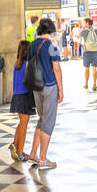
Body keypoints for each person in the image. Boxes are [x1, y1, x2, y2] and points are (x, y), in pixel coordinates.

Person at [27, 17, 63, 169]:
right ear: (51, 30)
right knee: (48, 122)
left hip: (37, 86)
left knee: (41, 119)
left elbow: (29, 64)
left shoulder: (32, 45)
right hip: (49, 85)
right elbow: (56, 68)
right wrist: (61, 89)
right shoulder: (51, 44)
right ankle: (42, 159)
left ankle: (33, 154)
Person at [8, 39, 35, 162]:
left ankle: (14, 144)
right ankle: (20, 153)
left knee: (21, 123)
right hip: (24, 97)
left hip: (17, 97)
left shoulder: (17, 64)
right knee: (24, 126)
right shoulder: (27, 64)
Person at [80, 17, 97, 90]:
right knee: (94, 68)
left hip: (87, 52)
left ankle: (86, 84)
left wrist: (82, 28)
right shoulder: (96, 29)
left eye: (84, 22)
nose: (83, 24)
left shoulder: (84, 31)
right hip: (95, 52)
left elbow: (77, 36)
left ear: (87, 23)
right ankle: (94, 84)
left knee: (86, 69)